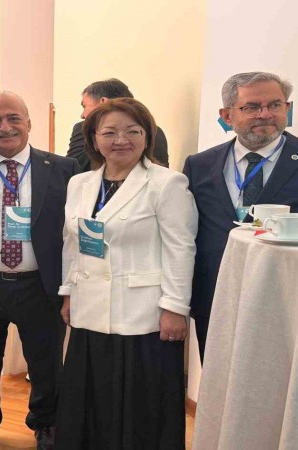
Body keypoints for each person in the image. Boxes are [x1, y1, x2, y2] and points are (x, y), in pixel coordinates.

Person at [183, 72, 298, 361]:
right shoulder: (199, 165)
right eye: (251, 107)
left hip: (293, 301)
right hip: (216, 296)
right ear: (227, 115)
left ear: (287, 109)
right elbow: (187, 235)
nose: (265, 114)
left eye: (275, 105)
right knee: (219, 379)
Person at [55, 98, 197, 449]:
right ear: (94, 138)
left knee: (141, 408)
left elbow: (180, 248)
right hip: (89, 309)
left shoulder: (167, 183)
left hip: (142, 315)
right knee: (90, 399)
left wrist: (175, 307)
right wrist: (68, 291)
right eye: (110, 132)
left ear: (147, 136)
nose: (121, 140)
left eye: (133, 131)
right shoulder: (80, 183)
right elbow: (72, 244)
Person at [0, 91, 79, 450]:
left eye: (13, 118)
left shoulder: (64, 169)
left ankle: (46, 425)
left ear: (29, 123)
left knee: (46, 363)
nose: (5, 127)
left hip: (40, 285)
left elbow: (74, 232)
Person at [67, 78, 169, 171]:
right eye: (110, 133)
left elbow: (73, 169)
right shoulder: (157, 131)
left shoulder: (86, 127)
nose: (82, 115)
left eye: (84, 106)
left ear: (103, 102)